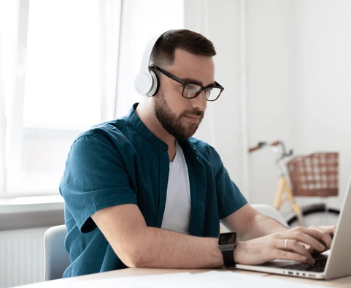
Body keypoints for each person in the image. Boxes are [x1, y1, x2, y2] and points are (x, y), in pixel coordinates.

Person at [59, 29, 336, 278]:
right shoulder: (97, 147)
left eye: (207, 90)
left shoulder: (204, 156)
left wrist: (298, 239)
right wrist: (238, 250)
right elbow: (136, 248)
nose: (201, 104)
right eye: (190, 88)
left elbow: (249, 221)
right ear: (149, 81)